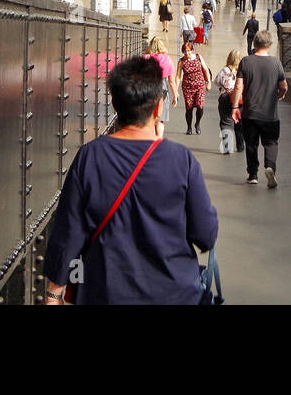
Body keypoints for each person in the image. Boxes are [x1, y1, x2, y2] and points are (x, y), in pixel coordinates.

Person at [43, 56, 217, 305]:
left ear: (115, 105)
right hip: (174, 294)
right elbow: (205, 235)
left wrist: (53, 293)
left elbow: (68, 232)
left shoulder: (90, 157)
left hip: (105, 292)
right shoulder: (182, 161)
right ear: (158, 107)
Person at [231, 30, 289, 188]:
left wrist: (235, 106)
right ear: (269, 45)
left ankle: (253, 174)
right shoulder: (276, 63)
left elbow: (238, 86)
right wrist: (279, 95)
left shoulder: (246, 62)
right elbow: (284, 86)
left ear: (254, 44)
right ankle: (270, 167)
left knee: (251, 144)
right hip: (270, 114)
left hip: (250, 113)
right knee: (271, 143)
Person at [175, 39, 212, 135]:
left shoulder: (198, 57)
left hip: (199, 85)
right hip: (187, 87)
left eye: (188, 50)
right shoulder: (181, 61)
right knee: (189, 108)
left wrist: (208, 82)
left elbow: (205, 70)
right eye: (185, 51)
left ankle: (197, 123)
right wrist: (176, 90)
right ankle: (189, 127)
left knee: (200, 106)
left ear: (192, 50)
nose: (187, 53)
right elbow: (178, 76)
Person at [215, 51, 244, 154]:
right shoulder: (242, 71)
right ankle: (240, 146)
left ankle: (227, 147)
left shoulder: (224, 70)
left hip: (225, 97)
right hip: (239, 98)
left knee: (226, 122)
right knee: (239, 122)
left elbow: (217, 81)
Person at [144, 37, 176, 124]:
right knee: (161, 118)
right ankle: (158, 136)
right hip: (162, 88)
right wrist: (175, 95)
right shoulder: (167, 59)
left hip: (147, 87)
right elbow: (171, 81)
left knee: (149, 117)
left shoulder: (145, 58)